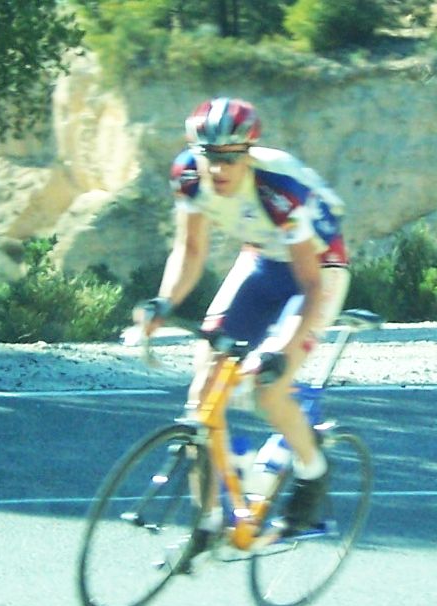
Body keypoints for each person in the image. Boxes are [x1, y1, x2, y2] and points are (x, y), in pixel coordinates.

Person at [138, 96, 350, 552]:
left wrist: (281, 352)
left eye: (231, 158)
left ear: (248, 154)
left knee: (268, 388)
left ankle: (313, 473)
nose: (219, 169)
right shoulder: (188, 176)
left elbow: (311, 285)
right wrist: (164, 301)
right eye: (210, 156)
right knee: (203, 393)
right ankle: (209, 521)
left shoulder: (277, 189)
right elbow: (190, 250)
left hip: (318, 272)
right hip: (261, 262)